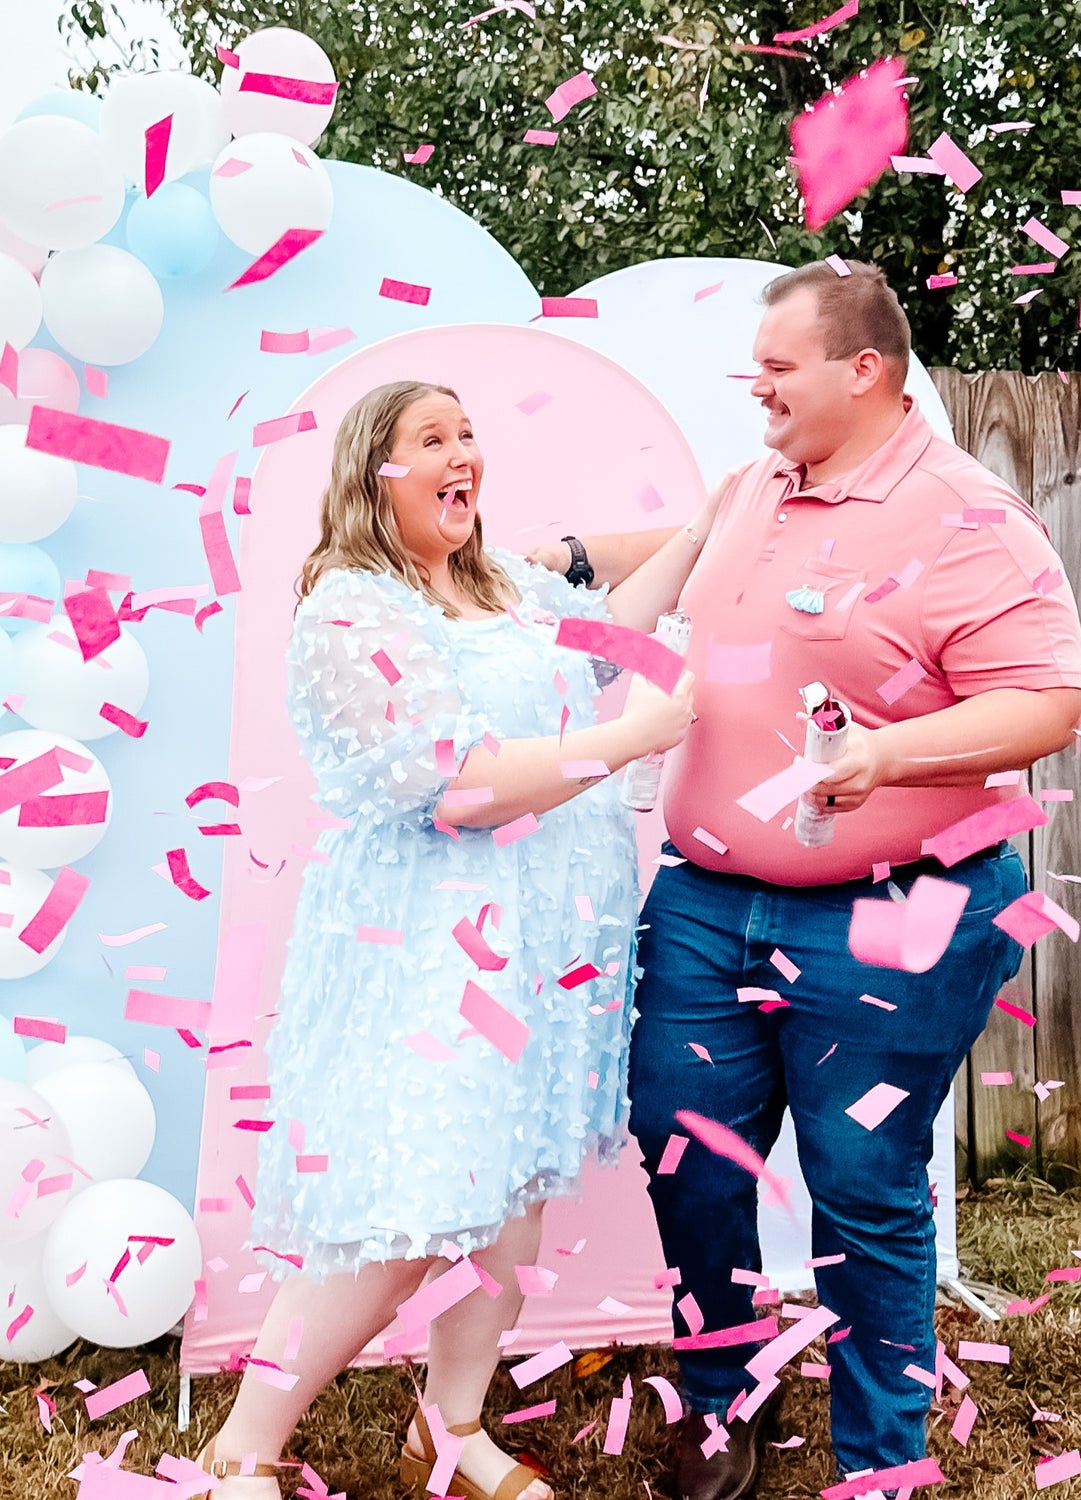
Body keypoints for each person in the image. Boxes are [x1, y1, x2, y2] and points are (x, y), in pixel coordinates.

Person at [530, 261, 1081, 1500]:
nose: (757, 388)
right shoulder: (762, 481)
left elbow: (1049, 700)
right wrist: (566, 554)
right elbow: (687, 538)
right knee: (683, 1146)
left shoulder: (967, 519)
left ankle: (881, 1459)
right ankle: (725, 1394)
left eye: (778, 368)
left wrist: (885, 754)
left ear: (865, 371)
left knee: (861, 1185)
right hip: (704, 903)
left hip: (899, 915)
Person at [196, 379, 713, 1499]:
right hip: (430, 951)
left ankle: (454, 1429)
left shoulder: (502, 587)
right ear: (373, 473)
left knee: (507, 1206)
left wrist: (714, 524)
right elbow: (458, 785)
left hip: (542, 950)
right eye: (431, 438)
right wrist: (631, 738)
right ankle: (242, 1447)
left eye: (468, 434)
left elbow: (610, 631)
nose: (461, 453)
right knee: (398, 1217)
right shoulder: (354, 609)